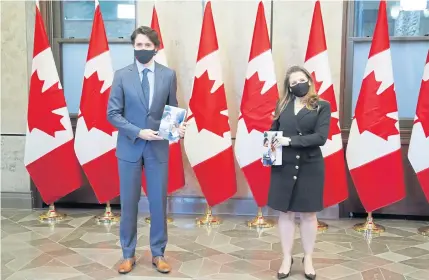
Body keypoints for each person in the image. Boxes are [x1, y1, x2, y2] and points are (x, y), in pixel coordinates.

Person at [107, 26, 186, 275]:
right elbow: (112, 114)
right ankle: (128, 254)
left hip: (158, 149)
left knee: (158, 204)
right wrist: (137, 131)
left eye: (146, 45)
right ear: (133, 47)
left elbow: (171, 110)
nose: (142, 49)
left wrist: (176, 129)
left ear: (156, 48)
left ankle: (158, 253)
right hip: (129, 147)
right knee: (129, 204)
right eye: (138, 45)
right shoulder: (121, 75)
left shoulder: (168, 75)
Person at [267, 65, 331, 280]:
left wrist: (290, 141)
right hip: (283, 165)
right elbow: (273, 133)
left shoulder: (322, 106)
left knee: (309, 214)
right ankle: (286, 257)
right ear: (289, 87)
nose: (298, 85)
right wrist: (270, 150)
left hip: (310, 166)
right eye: (293, 83)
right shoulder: (282, 104)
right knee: (285, 213)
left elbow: (320, 137)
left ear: (309, 80)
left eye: (301, 80)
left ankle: (308, 258)